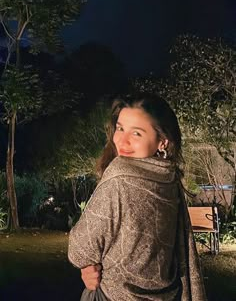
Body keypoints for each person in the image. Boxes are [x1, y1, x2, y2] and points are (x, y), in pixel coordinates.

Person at [68, 93, 207, 301]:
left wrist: (89, 265)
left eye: (137, 134)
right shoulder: (169, 180)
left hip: (113, 295)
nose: (121, 141)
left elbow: (79, 250)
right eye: (120, 128)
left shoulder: (120, 175)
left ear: (162, 141)